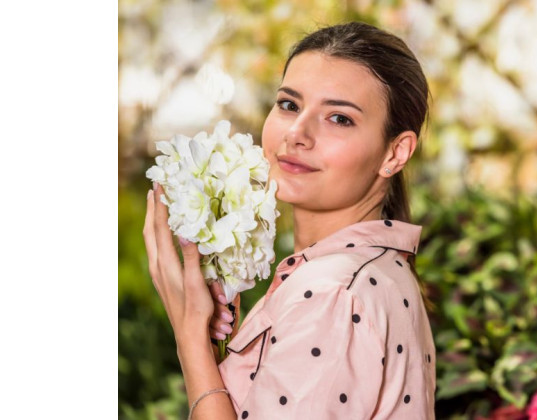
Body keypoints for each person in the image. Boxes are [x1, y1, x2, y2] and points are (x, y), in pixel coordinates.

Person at [143, 22, 436, 419]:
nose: (297, 133)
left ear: (395, 154)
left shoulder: (332, 294)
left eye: (339, 118)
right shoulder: (370, 271)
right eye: (289, 105)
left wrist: (189, 337)